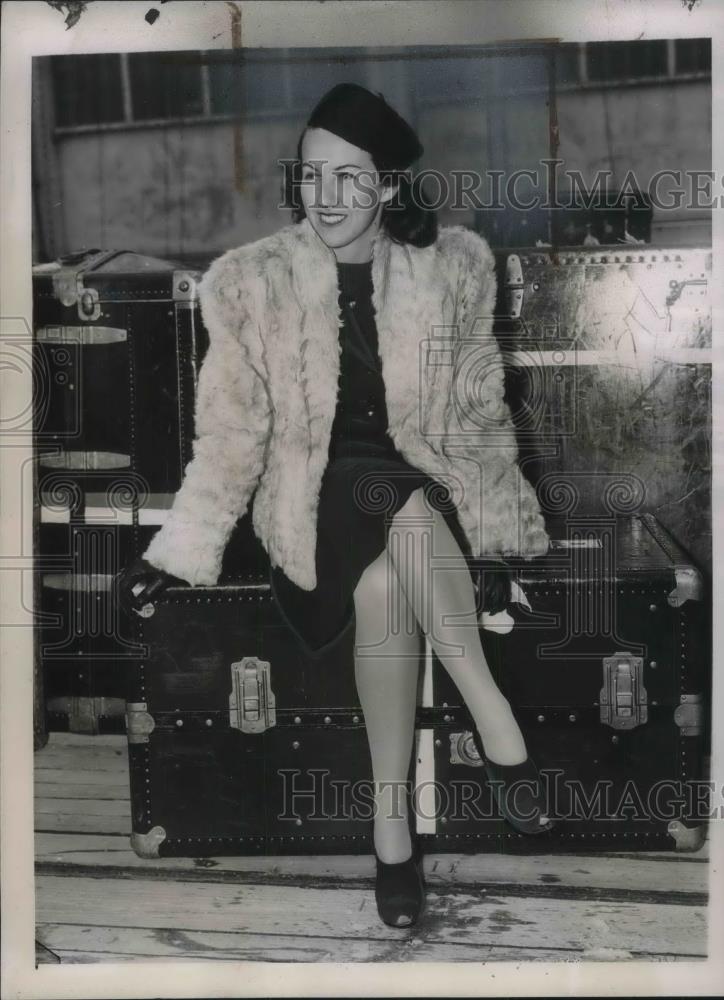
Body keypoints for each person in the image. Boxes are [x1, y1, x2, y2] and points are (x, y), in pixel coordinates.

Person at [117, 83, 555, 929]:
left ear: (390, 186)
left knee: (390, 587)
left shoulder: (452, 266)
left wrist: (497, 539)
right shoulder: (250, 282)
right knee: (368, 492)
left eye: (350, 178)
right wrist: (177, 548)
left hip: (423, 499)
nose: (326, 196)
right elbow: (233, 435)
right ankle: (496, 718)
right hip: (310, 504)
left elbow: (476, 415)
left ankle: (391, 833)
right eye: (312, 175)